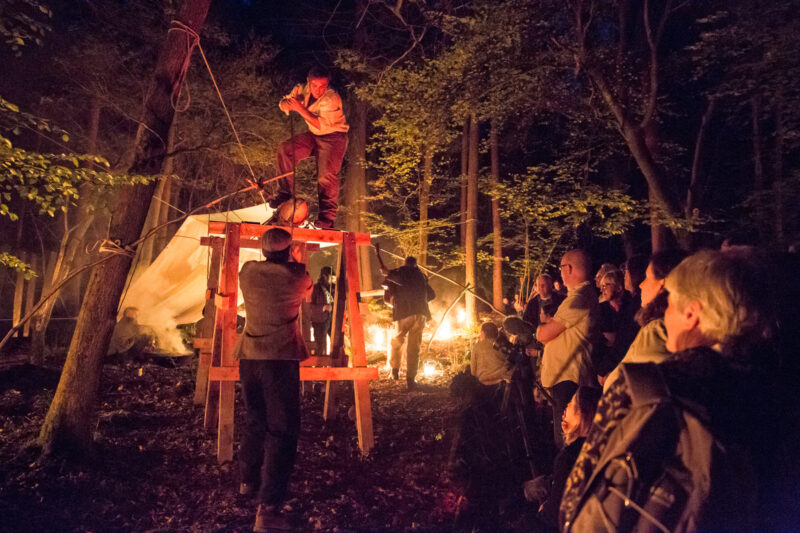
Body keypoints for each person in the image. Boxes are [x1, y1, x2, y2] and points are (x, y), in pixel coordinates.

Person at [560, 249, 780, 531]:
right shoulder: (767, 397)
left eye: (672, 301)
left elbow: (575, 500)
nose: (666, 311)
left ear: (692, 312)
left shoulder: (640, 386)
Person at [236, 228, 312, 532]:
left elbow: (261, 263)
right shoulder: (296, 276)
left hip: (249, 357)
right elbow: (303, 280)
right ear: (288, 250)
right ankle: (269, 507)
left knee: (255, 420)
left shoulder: (247, 273)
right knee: (282, 430)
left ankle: (248, 481)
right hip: (279, 359)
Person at [536, 249, 599, 448]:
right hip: (567, 377)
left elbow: (544, 335)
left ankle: (566, 476)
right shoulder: (581, 296)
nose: (560, 272)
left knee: (567, 438)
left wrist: (540, 328)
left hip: (569, 379)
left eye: (561, 267)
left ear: (569, 268)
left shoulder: (579, 298)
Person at [272, 67, 349, 229]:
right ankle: (286, 193)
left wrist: (299, 108)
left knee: (326, 176)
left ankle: (327, 217)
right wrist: (288, 104)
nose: (319, 90)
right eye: (315, 86)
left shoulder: (331, 99)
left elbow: (319, 124)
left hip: (333, 137)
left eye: (323, 86)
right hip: (314, 135)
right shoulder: (302, 89)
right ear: (309, 82)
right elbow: (283, 104)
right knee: (286, 149)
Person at [602, 249, 687, 391]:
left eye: (647, 278)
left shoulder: (657, 329)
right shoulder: (658, 324)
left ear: (662, 284)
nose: (641, 284)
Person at [535, 386, 602, 530]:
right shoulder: (598, 447)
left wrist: (544, 510)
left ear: (582, 415)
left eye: (571, 404)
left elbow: (555, 514)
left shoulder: (568, 458)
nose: (565, 409)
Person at [384, 256, 435, 389]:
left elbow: (389, 287)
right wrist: (420, 300)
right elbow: (432, 295)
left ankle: (395, 371)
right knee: (414, 347)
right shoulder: (422, 276)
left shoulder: (399, 273)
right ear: (416, 265)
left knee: (398, 340)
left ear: (405, 264)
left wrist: (387, 275)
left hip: (404, 312)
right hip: (420, 313)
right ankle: (411, 379)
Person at [595, 270, 638, 377]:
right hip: (606, 361)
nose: (602, 290)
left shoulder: (631, 307)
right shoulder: (601, 309)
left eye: (606, 286)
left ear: (619, 287)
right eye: (601, 286)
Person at [309, 266, 334, 357]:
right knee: (320, 344)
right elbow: (310, 306)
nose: (332, 279)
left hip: (331, 318)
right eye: (331, 277)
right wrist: (323, 307)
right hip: (319, 319)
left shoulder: (332, 288)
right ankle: (319, 365)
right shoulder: (315, 288)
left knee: (335, 341)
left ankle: (331, 364)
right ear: (325, 276)